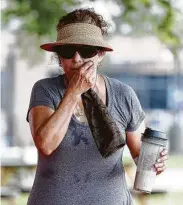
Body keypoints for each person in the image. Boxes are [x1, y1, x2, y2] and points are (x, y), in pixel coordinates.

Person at [26, 8, 168, 205]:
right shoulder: (45, 90)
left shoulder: (123, 94)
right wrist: (74, 91)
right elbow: (45, 145)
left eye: (86, 51)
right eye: (68, 51)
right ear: (59, 58)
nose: (77, 59)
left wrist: (156, 163)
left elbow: (140, 156)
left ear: (100, 54)